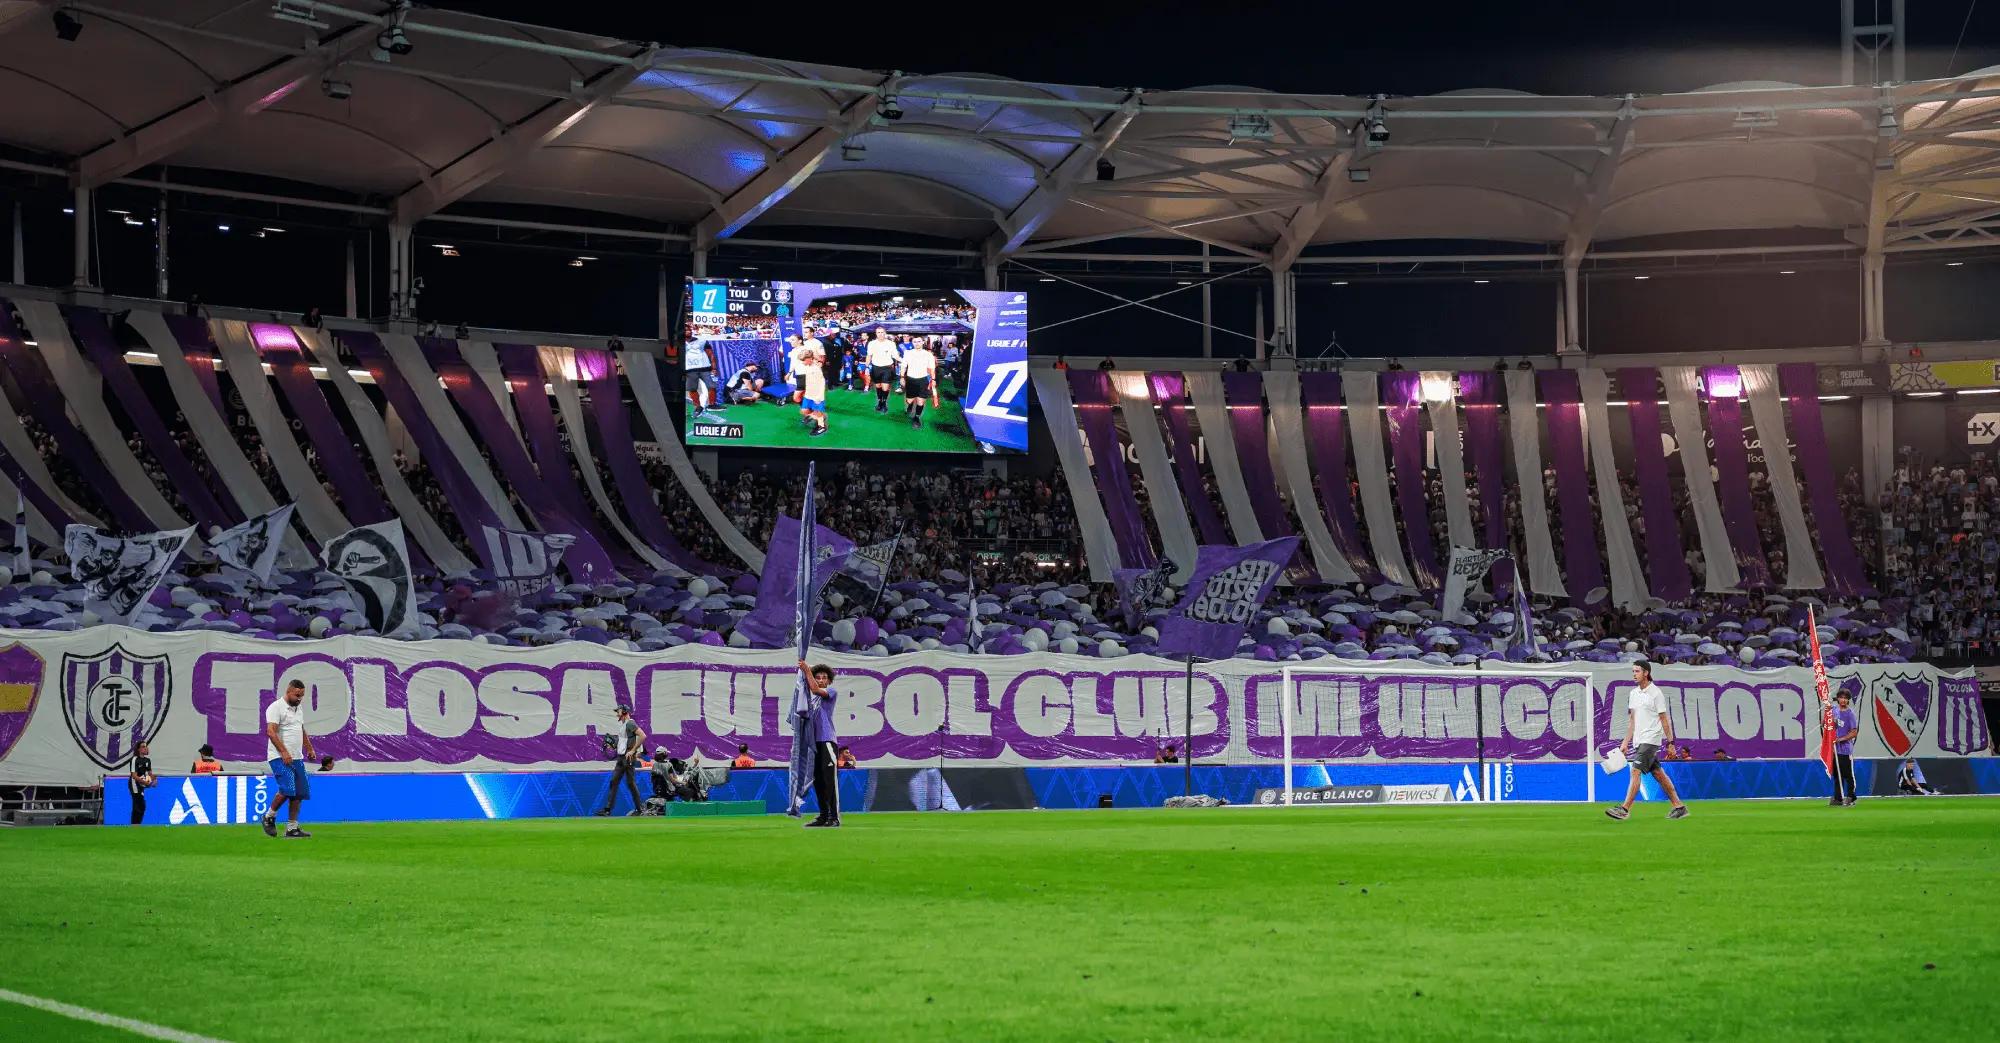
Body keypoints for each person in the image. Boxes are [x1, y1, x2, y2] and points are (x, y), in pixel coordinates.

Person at [1605, 661, 1689, 821]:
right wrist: (1625, 743)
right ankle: (1679, 806)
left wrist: (1671, 743)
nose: (1634, 674)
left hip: (1651, 740)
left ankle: (1624, 809)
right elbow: (1632, 722)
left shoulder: (1656, 693)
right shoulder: (1633, 694)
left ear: (1646, 673)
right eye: (1633, 671)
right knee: (1658, 773)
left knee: (1635, 771)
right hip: (1639, 740)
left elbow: (1664, 719)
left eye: (1637, 671)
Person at [262, 679, 315, 838]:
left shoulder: (298, 709)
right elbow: (271, 732)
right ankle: (269, 816)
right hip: (279, 756)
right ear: (289, 691)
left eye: (302, 695)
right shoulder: (276, 707)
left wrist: (309, 747)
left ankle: (292, 828)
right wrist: (284, 752)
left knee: (299, 793)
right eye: (297, 695)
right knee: (288, 788)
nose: (300, 698)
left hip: (296, 757)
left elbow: (301, 729)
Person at [799, 659, 841, 827]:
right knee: (818, 780)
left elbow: (815, 689)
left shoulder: (831, 691)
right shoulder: (812, 701)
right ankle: (823, 816)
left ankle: (834, 816)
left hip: (827, 741)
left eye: (824, 677)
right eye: (818, 677)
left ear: (829, 681)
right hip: (814, 743)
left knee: (829, 780)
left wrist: (806, 669)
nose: (821, 680)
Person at [595, 704, 646, 817]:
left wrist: (632, 751)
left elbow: (643, 736)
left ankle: (640, 809)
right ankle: (608, 810)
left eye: (618, 711)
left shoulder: (630, 723)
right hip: (621, 758)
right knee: (614, 781)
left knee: (630, 783)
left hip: (627, 758)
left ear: (624, 711)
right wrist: (615, 746)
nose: (617, 714)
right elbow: (624, 741)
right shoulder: (624, 725)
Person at [900, 337, 940, 430]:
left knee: (920, 401)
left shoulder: (928, 354)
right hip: (910, 380)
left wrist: (933, 379)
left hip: (923, 380)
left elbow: (932, 368)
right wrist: (902, 377)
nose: (917, 343)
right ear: (912, 343)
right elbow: (903, 366)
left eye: (919, 341)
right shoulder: (908, 353)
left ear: (923, 342)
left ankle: (917, 417)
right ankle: (910, 405)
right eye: (915, 341)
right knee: (909, 400)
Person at [1831, 689, 1860, 806]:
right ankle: (1838, 798)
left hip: (1846, 750)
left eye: (1845, 698)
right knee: (1837, 775)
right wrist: (1826, 714)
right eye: (1841, 697)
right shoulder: (1834, 711)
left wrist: (1840, 739)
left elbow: (1854, 732)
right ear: (1838, 698)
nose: (1843, 700)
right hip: (1835, 750)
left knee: (1848, 775)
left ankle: (1851, 797)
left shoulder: (1850, 714)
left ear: (1848, 700)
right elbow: (1825, 724)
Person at [865, 327, 901, 413]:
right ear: (876, 334)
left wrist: (904, 361)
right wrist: (866, 367)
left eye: (882, 332)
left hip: (887, 368)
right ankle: (880, 401)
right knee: (878, 387)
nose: (880, 334)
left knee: (885, 387)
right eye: (878, 332)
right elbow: (869, 355)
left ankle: (884, 403)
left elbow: (895, 356)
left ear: (885, 333)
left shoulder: (891, 343)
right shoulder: (871, 343)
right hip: (875, 367)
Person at [685, 337, 719, 421]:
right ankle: (698, 407)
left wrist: (714, 368)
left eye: (689, 329)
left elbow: (710, 354)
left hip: (705, 368)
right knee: (691, 389)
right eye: (686, 330)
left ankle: (712, 405)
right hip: (690, 369)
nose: (688, 331)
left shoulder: (701, 341)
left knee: (711, 386)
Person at [800, 342, 830, 438]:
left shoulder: (816, 369)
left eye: (803, 360)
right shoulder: (808, 366)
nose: (802, 362)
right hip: (809, 394)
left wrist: (819, 397)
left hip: (817, 396)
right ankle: (820, 417)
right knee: (804, 411)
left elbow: (822, 383)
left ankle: (822, 426)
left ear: (809, 359)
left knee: (818, 412)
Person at [128, 740, 156, 825]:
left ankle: (137, 824)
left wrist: (154, 780)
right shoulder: (134, 759)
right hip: (134, 784)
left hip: (141, 785)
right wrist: (145, 782)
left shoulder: (147, 760)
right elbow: (134, 775)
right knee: (138, 805)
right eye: (143, 746)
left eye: (146, 746)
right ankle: (135, 825)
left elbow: (150, 773)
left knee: (141, 806)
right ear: (138, 749)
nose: (146, 748)